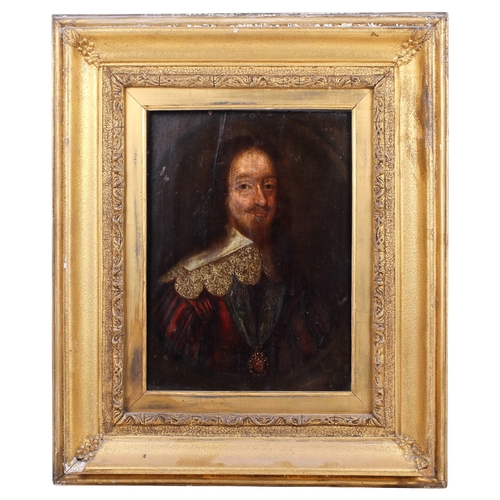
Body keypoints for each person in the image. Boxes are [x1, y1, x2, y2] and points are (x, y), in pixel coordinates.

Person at [152, 136, 337, 390]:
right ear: (223, 196)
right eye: (244, 187)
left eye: (268, 186)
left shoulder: (289, 275)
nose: (261, 200)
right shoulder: (189, 287)